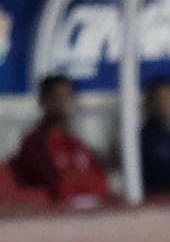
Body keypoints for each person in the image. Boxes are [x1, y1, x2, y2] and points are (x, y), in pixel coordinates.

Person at [10, 74, 112, 208]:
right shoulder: (35, 143)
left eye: (68, 96)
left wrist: (82, 183)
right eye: (57, 97)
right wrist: (82, 183)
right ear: (43, 100)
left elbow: (102, 183)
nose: (63, 103)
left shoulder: (76, 144)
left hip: (87, 213)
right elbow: (57, 187)